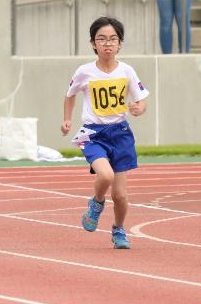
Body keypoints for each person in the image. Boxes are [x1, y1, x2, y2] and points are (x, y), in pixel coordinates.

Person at [60, 16, 149, 251]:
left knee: (120, 196)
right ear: (93, 44)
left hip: (120, 134)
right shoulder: (85, 72)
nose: (107, 44)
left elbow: (141, 100)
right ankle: (97, 203)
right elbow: (70, 94)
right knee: (106, 176)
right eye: (102, 39)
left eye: (113, 39)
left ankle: (119, 229)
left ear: (120, 44)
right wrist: (67, 119)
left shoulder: (127, 70)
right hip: (93, 134)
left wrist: (139, 109)